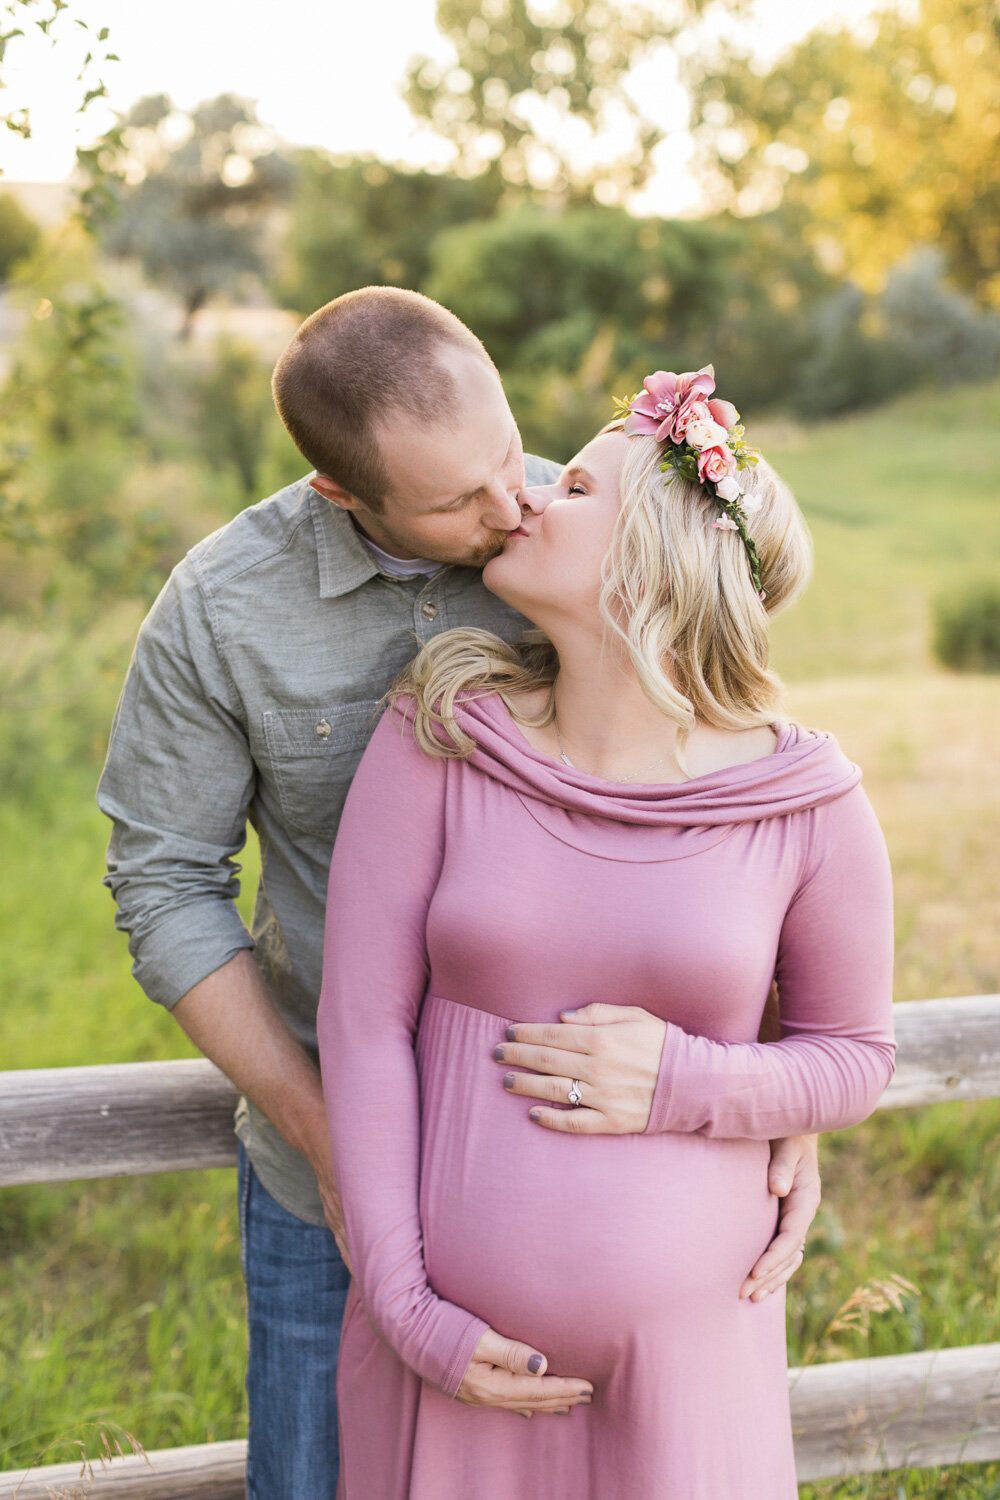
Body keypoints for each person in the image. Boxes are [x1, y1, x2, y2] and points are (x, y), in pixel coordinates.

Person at [97, 289, 822, 1499]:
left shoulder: (584, 526)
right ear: (345, 497)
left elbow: (732, 785)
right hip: (326, 1174)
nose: (511, 506)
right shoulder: (222, 612)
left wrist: (771, 1085)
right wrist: (318, 1132)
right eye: (457, 500)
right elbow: (163, 884)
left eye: (509, 457)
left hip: (619, 1173)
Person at [316, 367, 896, 1497]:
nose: (529, 497)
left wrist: (683, 1080)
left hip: (689, 1381)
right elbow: (363, 1026)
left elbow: (851, 1057)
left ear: (654, 557)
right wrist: (404, 1308)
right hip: (447, 1359)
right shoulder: (440, 736)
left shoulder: (807, 803)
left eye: (573, 486)